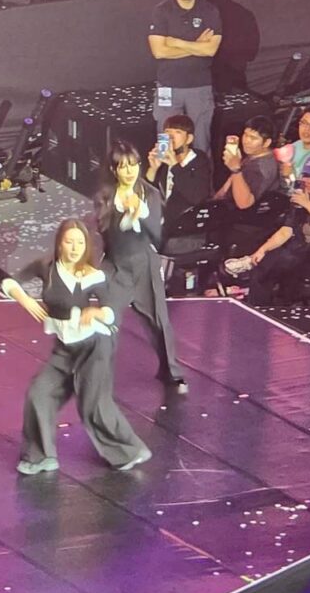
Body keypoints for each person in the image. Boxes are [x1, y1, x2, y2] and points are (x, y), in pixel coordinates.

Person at [1, 219, 151, 473]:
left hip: (94, 347)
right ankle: (40, 456)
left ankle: (129, 451)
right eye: (69, 242)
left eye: (80, 243)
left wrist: (97, 312)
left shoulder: (92, 275)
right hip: (65, 348)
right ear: (60, 243)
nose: (74, 248)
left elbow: (111, 311)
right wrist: (24, 299)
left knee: (93, 404)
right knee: (39, 393)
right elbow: (10, 282)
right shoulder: (46, 267)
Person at [97, 140, 187, 393]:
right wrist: (124, 217)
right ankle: (96, 373)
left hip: (143, 265)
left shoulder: (150, 194)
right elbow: (103, 232)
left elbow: (156, 235)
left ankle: (171, 371)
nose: (129, 171)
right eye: (123, 167)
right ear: (114, 170)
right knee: (105, 321)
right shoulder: (106, 196)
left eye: (133, 165)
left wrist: (139, 212)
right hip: (116, 266)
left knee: (159, 321)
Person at [245, 157, 310, 305]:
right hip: (300, 250)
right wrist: (263, 249)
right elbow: (287, 230)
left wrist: (307, 204)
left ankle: (269, 305)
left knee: (278, 264)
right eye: (306, 176)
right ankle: (259, 307)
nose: (308, 181)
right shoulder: (301, 196)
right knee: (264, 264)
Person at [147, 0, 223, 156]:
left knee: (201, 141)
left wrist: (177, 42)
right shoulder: (162, 11)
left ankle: (200, 175)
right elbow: (159, 52)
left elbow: (210, 50)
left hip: (199, 86)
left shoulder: (209, 11)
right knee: (164, 141)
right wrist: (196, 45)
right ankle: (163, 173)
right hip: (168, 85)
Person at [145, 113, 212, 251]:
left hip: (188, 234)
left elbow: (197, 197)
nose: (171, 136)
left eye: (177, 132)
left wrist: (175, 166)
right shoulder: (164, 161)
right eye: (167, 132)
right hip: (163, 230)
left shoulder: (199, 161)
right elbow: (145, 194)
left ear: (189, 138)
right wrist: (153, 168)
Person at [213, 115, 280, 210]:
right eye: (245, 134)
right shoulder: (254, 154)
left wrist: (235, 170)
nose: (246, 141)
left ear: (266, 142)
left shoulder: (262, 169)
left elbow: (244, 203)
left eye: (253, 138)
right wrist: (215, 199)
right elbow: (230, 181)